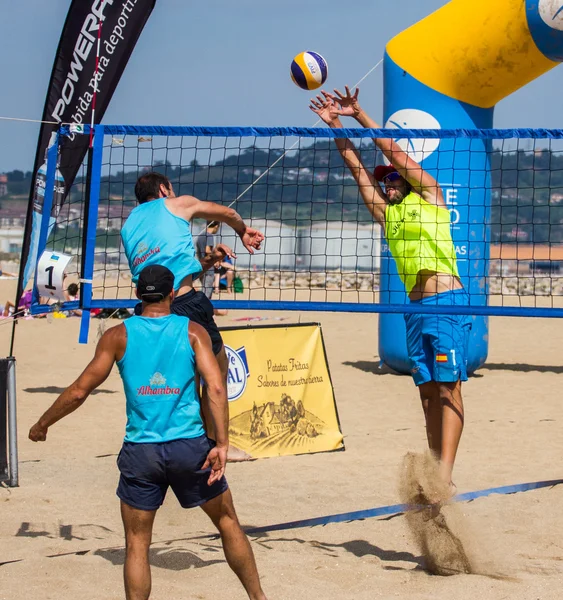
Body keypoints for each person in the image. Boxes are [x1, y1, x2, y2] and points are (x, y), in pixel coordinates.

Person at [28, 265, 268, 600]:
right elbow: (215, 388)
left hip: (142, 453)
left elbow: (80, 390)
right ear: (172, 294)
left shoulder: (118, 335)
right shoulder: (193, 332)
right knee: (227, 522)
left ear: (138, 295)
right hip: (190, 448)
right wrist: (223, 444)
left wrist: (43, 424)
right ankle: (259, 598)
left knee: (138, 545)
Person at [310, 86, 470, 495]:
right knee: (427, 394)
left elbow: (394, 155)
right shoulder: (388, 214)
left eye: (394, 179)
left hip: (447, 301)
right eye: (387, 182)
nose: (388, 182)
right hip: (415, 310)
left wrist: (360, 115)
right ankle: (436, 470)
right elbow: (358, 170)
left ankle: (445, 476)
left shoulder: (431, 198)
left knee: (448, 386)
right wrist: (335, 127)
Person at [121, 172, 264, 462]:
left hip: (147, 311)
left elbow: (171, 277)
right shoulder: (177, 204)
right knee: (216, 373)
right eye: (170, 189)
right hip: (186, 304)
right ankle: (218, 443)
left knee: (174, 379)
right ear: (163, 189)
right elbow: (228, 212)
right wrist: (241, 231)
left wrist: (210, 261)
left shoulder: (129, 225)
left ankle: (186, 439)